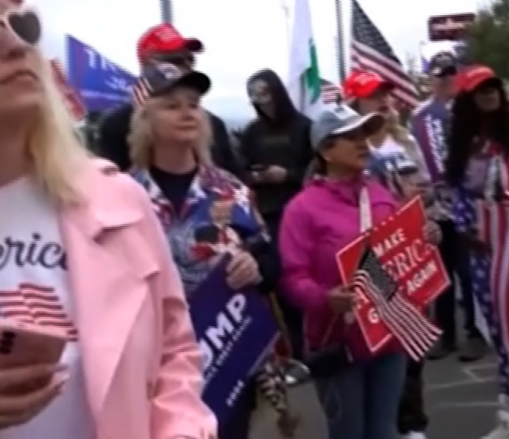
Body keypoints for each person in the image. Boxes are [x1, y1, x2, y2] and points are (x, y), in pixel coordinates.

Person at [0, 3, 215, 438]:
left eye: (23, 24)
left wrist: (182, 430)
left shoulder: (120, 201)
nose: (16, 43)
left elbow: (174, 349)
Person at [125, 63, 292, 439]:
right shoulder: (122, 194)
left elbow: (270, 259)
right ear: (145, 118)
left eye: (193, 104)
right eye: (171, 105)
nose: (187, 112)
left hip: (228, 352)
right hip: (156, 365)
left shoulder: (228, 187)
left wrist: (256, 267)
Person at [279, 104, 439, 439]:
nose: (363, 142)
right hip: (338, 340)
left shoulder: (380, 194)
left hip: (388, 335)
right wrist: (325, 299)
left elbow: (400, 251)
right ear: (325, 150)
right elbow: (293, 277)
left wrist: (425, 239)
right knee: (348, 433)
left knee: (384, 431)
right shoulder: (302, 209)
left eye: (364, 134)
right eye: (350, 136)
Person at [444, 65, 509, 439]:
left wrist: (503, 195)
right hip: (480, 250)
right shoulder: (471, 143)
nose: (488, 94)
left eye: (492, 87)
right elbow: (459, 194)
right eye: (479, 90)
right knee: (500, 340)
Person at [344, 69, 438, 439]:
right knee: (379, 345)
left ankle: (413, 424)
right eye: (372, 96)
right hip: (370, 261)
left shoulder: (407, 144)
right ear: (355, 104)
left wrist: (430, 221)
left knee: (412, 341)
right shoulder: (349, 150)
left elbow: (428, 194)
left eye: (385, 94)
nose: (383, 101)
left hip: (409, 256)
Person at [409, 53, 488, 362]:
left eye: (450, 74)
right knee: (440, 273)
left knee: (470, 271)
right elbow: (413, 157)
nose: (445, 80)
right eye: (439, 75)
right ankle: (445, 334)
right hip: (436, 205)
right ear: (430, 78)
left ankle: (476, 332)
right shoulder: (419, 115)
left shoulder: (471, 110)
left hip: (468, 203)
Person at [240, 68, 314, 383]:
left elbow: (315, 169)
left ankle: (310, 351)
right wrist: (256, 176)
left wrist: (288, 175)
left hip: (299, 212)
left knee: (303, 282)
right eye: (255, 95)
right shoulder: (251, 132)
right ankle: (290, 355)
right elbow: (240, 169)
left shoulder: (303, 127)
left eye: (266, 93)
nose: (262, 100)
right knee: (277, 286)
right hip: (266, 215)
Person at [97, 23, 240, 176]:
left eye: (190, 59)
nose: (186, 65)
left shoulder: (213, 124)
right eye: (176, 59)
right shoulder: (117, 124)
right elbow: (109, 184)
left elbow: (237, 179)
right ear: (148, 62)